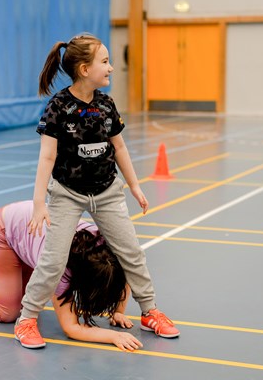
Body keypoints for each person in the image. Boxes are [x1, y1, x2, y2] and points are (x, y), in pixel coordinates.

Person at [17, 33, 179, 348]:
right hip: (67, 193)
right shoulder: (58, 107)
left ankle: (150, 312)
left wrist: (134, 185)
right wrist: (40, 204)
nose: (111, 67)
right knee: (53, 260)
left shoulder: (106, 104)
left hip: (107, 192)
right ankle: (26, 319)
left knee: (131, 252)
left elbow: (119, 147)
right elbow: (47, 157)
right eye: (104, 62)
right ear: (83, 69)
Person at [0, 200, 143, 351]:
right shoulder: (58, 268)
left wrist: (117, 312)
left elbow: (122, 280)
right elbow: (71, 327)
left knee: (29, 292)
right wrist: (112, 336)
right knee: (8, 311)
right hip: (4, 231)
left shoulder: (107, 251)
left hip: (30, 228)